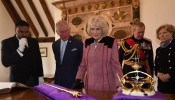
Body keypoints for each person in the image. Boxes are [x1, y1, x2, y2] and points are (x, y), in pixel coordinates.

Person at [72, 15, 123, 91]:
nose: (94, 32)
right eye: (92, 29)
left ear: (103, 29)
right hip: (90, 86)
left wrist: (119, 84)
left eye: (98, 29)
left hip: (107, 86)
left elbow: (116, 65)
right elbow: (83, 65)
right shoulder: (87, 42)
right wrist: (78, 79)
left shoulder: (111, 42)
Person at [1, 20, 43, 87]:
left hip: (33, 79)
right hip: (17, 80)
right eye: (21, 32)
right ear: (15, 30)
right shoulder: (7, 42)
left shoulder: (34, 42)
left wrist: (40, 76)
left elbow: (38, 60)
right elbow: (5, 62)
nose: (24, 34)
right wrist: (19, 50)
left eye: (26, 32)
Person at [52, 20, 83, 88]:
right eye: (61, 32)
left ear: (70, 29)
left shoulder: (78, 43)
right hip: (59, 81)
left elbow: (82, 63)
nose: (65, 34)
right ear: (57, 32)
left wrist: (79, 79)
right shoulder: (55, 44)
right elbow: (58, 63)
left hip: (73, 81)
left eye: (66, 31)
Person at [155, 24, 175, 94]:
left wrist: (169, 74)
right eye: (159, 34)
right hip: (162, 84)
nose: (162, 35)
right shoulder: (159, 49)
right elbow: (156, 66)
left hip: (173, 81)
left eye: (164, 32)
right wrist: (158, 74)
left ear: (171, 33)